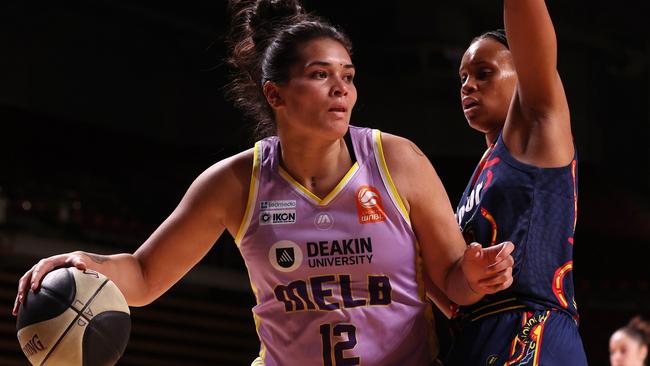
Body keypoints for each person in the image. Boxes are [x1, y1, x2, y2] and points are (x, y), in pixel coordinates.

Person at [13, 1, 515, 365]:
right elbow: (144, 276)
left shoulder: (396, 160)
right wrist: (88, 264)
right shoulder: (236, 183)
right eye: (320, 74)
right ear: (275, 94)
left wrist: (474, 274)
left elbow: (453, 284)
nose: (341, 87)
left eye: (348, 74)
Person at [442, 0, 589, 364]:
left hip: (530, 328)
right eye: (462, 77)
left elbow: (526, 16)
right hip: (475, 334)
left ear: (522, 72)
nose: (468, 85)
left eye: (483, 72)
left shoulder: (539, 124)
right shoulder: (482, 170)